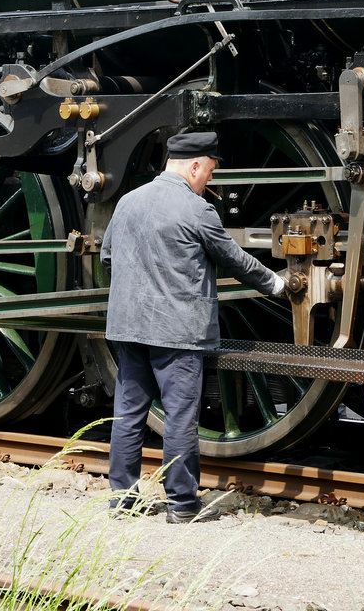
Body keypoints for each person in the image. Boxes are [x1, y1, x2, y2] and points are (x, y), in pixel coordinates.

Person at [100, 131, 287, 523]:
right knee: (180, 420)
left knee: (128, 416)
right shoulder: (197, 210)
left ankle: (122, 500)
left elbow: (107, 257)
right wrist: (277, 284)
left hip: (128, 328)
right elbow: (235, 260)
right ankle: (182, 506)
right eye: (211, 171)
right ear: (196, 165)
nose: (211, 181)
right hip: (177, 334)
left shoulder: (127, 202)